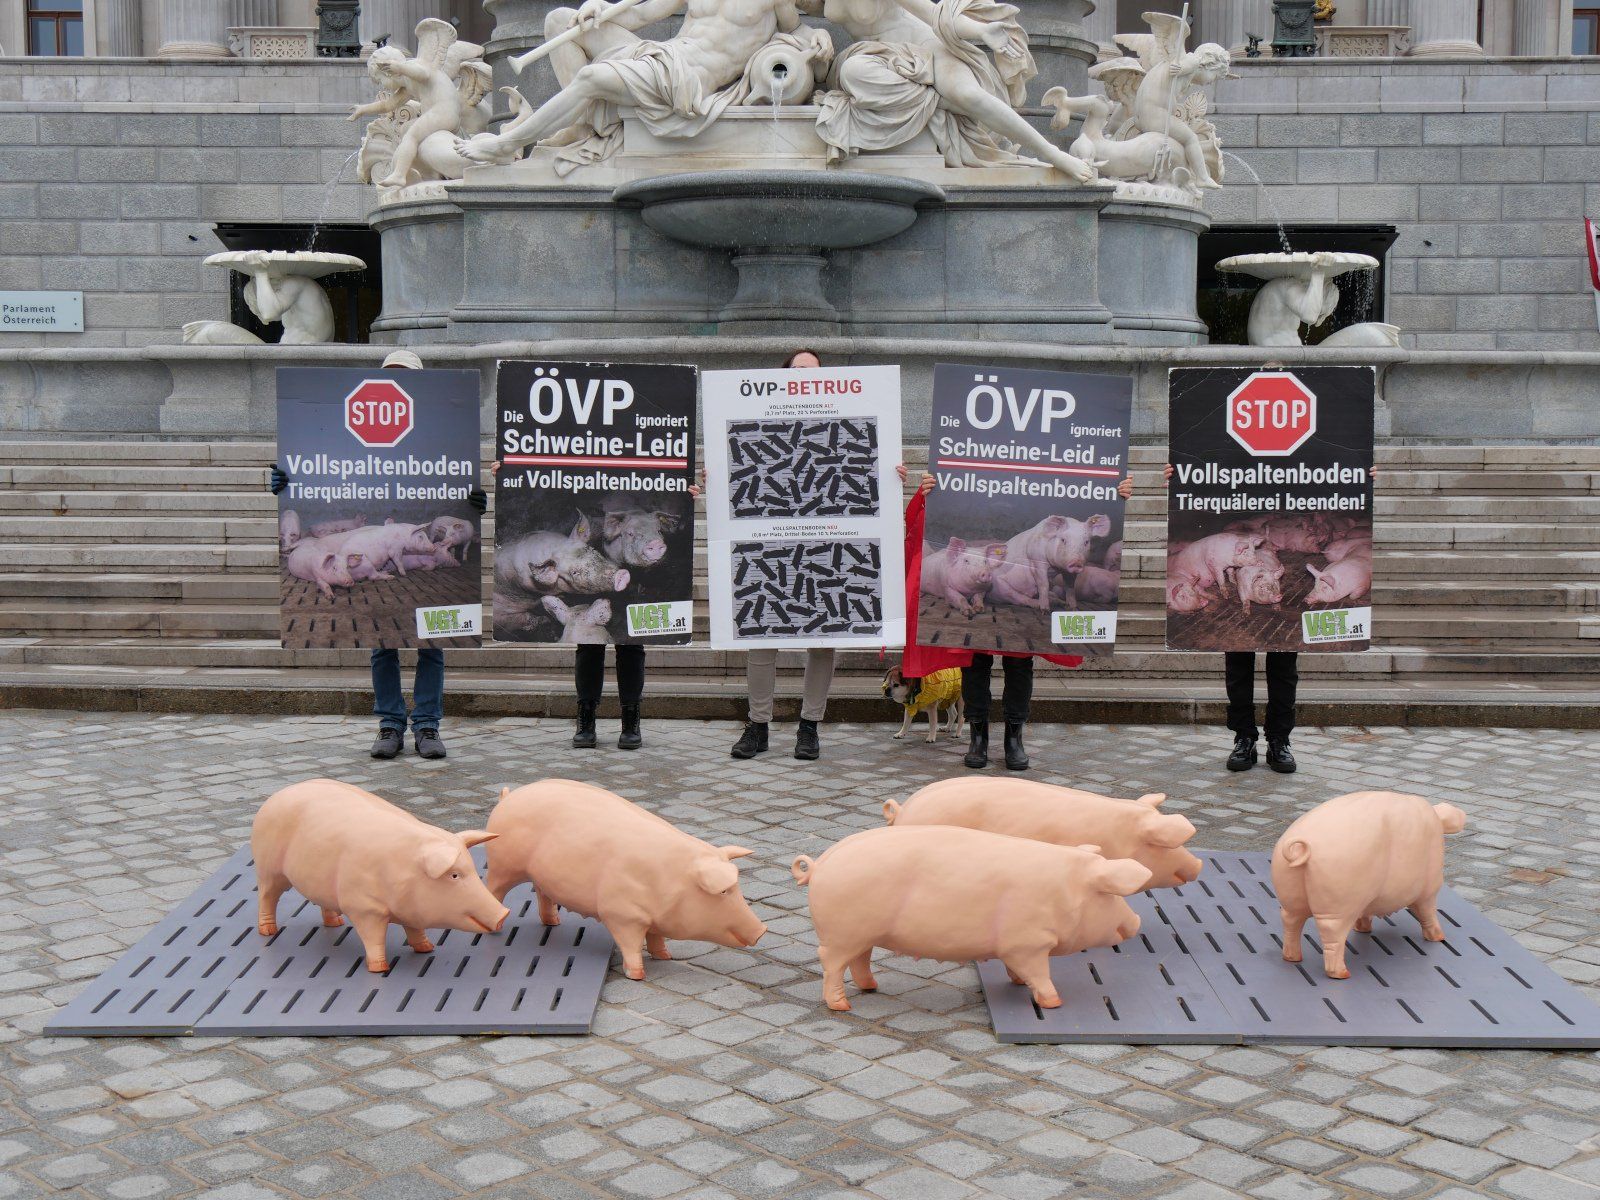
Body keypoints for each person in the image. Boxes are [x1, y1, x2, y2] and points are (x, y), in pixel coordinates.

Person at [269, 349, 487, 761]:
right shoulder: (353, 425)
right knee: (381, 641)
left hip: (408, 548)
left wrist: (476, 500)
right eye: (392, 375)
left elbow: (457, 478)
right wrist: (285, 483)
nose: (399, 382)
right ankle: (390, 723)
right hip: (383, 546)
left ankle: (427, 725)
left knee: (432, 641)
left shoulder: (442, 423)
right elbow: (316, 462)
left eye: (407, 377)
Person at [899, 465, 1134, 771]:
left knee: (1019, 662)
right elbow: (914, 523)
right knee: (975, 662)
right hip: (1000, 577)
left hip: (1013, 575)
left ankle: (1014, 737)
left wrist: (1115, 494)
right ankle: (977, 736)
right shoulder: (966, 474)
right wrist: (927, 491)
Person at [731, 349, 837, 762]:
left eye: (812, 373)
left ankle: (809, 727)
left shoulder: (836, 421)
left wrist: (887, 474)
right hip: (771, 540)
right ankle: (757, 726)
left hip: (825, 540)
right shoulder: (759, 419)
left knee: (825, 637)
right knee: (762, 635)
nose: (804, 378)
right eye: (797, 370)